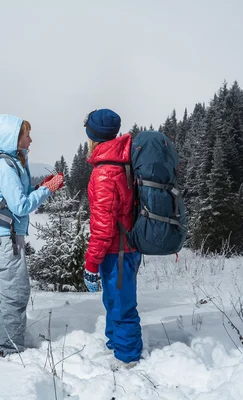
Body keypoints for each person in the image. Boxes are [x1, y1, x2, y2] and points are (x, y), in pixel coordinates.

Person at [0, 114, 64, 356]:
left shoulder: (13, 163)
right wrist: (47, 190)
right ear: (13, 138)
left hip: (6, 236)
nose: (30, 139)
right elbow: (21, 207)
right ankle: (7, 348)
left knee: (4, 291)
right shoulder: (4, 167)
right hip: (5, 238)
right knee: (16, 294)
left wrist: (42, 187)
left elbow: (21, 195)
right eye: (26, 134)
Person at [82, 108, 142, 368]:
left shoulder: (105, 172)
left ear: (93, 136)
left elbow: (103, 225)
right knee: (115, 301)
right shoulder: (124, 161)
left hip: (116, 251)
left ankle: (127, 358)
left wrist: (91, 263)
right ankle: (115, 343)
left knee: (121, 306)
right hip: (127, 247)